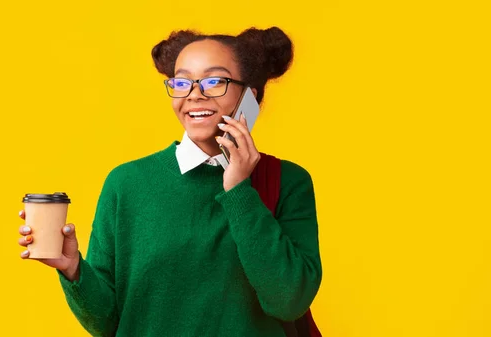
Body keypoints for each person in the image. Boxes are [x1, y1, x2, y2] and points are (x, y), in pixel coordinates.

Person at [17, 26, 322, 337]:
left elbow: (288, 301)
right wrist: (73, 269)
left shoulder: (288, 182)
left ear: (249, 97)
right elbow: (109, 323)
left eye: (214, 81)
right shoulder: (126, 184)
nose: (194, 94)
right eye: (181, 82)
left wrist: (239, 189)